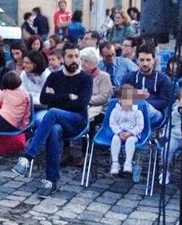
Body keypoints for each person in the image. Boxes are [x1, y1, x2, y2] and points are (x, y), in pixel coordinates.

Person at [12, 42, 93, 198]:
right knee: (54, 128)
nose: (74, 60)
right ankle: (51, 181)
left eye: (77, 56)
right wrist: (68, 97)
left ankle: (27, 157)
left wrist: (56, 98)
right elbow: (44, 98)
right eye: (70, 56)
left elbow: (81, 104)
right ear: (63, 58)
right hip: (57, 121)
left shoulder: (85, 79)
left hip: (77, 121)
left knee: (54, 112)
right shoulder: (55, 76)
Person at [62, 47, 113, 166]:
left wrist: (85, 100)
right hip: (81, 106)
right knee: (65, 116)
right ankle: (66, 151)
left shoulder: (103, 77)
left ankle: (85, 154)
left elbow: (104, 97)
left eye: (86, 61)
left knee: (89, 122)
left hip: (100, 109)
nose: (82, 63)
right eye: (82, 60)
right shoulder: (78, 76)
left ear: (94, 63)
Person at [121, 44, 172, 128]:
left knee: (145, 108)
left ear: (154, 60)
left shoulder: (164, 79)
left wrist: (141, 102)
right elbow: (123, 99)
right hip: (131, 114)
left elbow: (164, 102)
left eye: (148, 60)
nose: (145, 63)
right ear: (137, 60)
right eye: (142, 60)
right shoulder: (128, 77)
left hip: (155, 115)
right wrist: (141, 96)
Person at [109, 85, 144, 175]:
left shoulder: (137, 112)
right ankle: (115, 163)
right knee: (115, 139)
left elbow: (140, 126)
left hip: (133, 134)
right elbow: (112, 123)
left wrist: (131, 133)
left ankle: (128, 163)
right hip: (120, 132)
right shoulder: (115, 111)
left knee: (130, 140)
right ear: (120, 100)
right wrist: (119, 132)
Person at [160, 86, 182, 184]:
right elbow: (169, 124)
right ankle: (165, 171)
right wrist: (165, 134)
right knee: (166, 150)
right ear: (178, 102)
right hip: (175, 137)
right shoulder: (175, 113)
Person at [20, 51, 50, 123]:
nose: (24, 65)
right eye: (24, 62)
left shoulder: (46, 75)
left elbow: (47, 97)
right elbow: (22, 91)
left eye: (27, 63)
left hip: (43, 107)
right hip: (27, 107)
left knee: (38, 120)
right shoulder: (24, 74)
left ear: (35, 64)